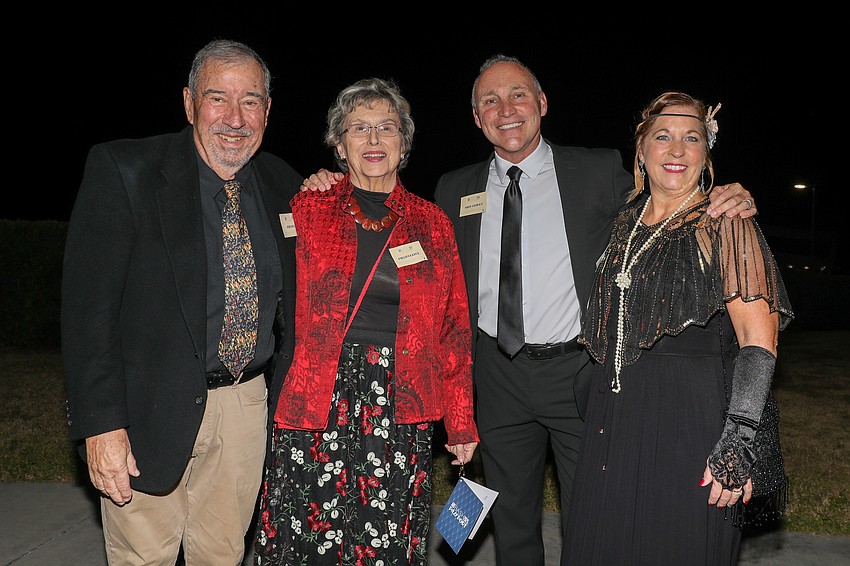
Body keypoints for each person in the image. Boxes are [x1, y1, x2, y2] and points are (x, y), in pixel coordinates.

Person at [302, 54, 757, 566]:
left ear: (541, 103)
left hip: (580, 372)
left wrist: (725, 194)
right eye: (490, 100)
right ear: (476, 117)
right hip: (497, 376)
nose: (506, 109)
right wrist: (329, 184)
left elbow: (668, 189)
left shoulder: (597, 170)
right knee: (510, 519)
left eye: (518, 95)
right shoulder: (455, 188)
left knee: (594, 514)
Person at [61, 39, 303, 565]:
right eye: (218, 98)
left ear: (267, 110)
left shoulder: (284, 184)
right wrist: (100, 425)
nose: (235, 118)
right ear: (189, 103)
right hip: (146, 409)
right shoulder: (126, 170)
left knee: (221, 556)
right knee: (143, 558)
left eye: (250, 101)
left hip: (244, 406)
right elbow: (87, 315)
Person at [252, 77, 478, 565]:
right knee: (307, 532)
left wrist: (460, 423)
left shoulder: (433, 223)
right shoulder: (308, 208)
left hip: (400, 402)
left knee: (383, 537)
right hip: (317, 395)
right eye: (358, 128)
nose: (373, 139)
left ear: (404, 143)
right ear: (339, 145)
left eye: (386, 127)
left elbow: (453, 331)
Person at [561, 91, 794, 565]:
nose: (677, 150)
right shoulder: (622, 221)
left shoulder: (725, 223)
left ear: (706, 153)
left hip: (689, 426)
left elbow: (758, 343)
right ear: (641, 150)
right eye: (663, 136)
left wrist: (739, 441)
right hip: (612, 424)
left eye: (692, 138)